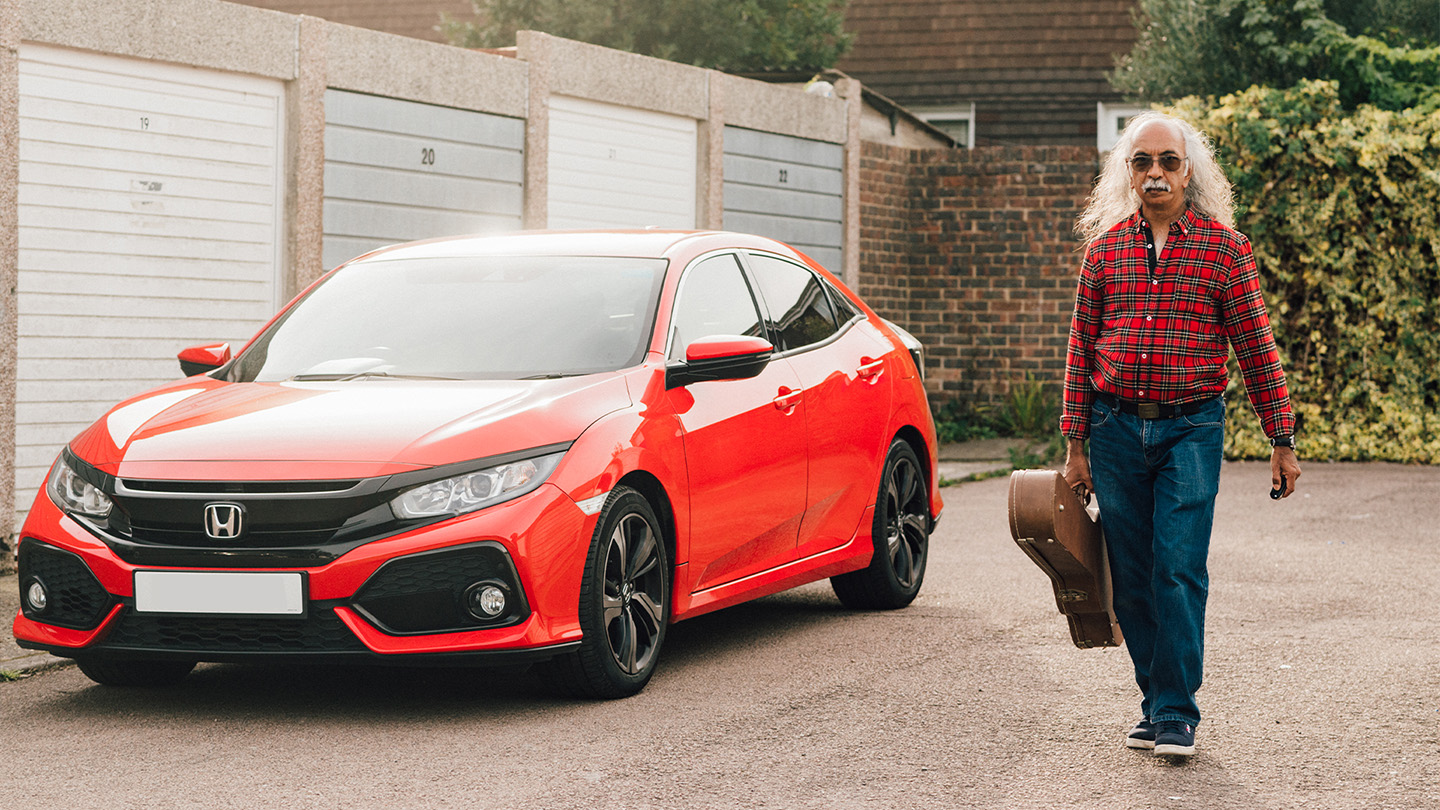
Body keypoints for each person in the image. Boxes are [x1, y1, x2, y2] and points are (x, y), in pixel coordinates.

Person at [1060, 111, 1302, 758]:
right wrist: (1075, 447)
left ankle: (1176, 711)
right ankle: (1155, 700)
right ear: (1128, 171)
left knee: (1178, 569)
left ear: (1189, 171)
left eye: (1168, 161)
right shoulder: (1106, 252)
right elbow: (1080, 351)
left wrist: (1282, 439)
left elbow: (1256, 348)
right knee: (1134, 577)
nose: (1156, 172)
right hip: (1113, 431)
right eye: (1142, 162)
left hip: (1192, 429)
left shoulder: (1225, 249)